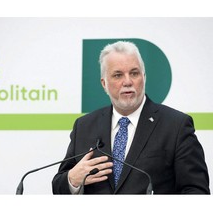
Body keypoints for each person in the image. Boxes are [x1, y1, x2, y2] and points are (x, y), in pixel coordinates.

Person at [52, 41, 210, 194]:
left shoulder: (176, 126)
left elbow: (196, 191)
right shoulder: (84, 126)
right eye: (118, 75)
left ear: (144, 77)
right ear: (104, 84)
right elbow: (58, 187)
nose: (127, 82)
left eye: (134, 73)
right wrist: (72, 180)